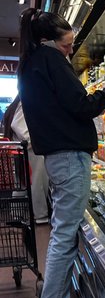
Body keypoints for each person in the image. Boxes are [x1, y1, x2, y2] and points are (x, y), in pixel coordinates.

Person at [18, 8, 105, 298]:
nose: (70, 50)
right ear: (49, 41)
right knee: (65, 232)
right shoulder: (51, 60)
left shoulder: (33, 61)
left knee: (63, 229)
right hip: (68, 155)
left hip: (58, 155)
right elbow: (81, 106)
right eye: (67, 45)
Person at [3, 96, 50, 224]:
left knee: (23, 183)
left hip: (23, 150)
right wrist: (37, 141)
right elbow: (20, 128)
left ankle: (17, 214)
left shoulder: (19, 102)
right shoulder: (27, 101)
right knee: (37, 182)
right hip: (31, 150)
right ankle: (40, 216)